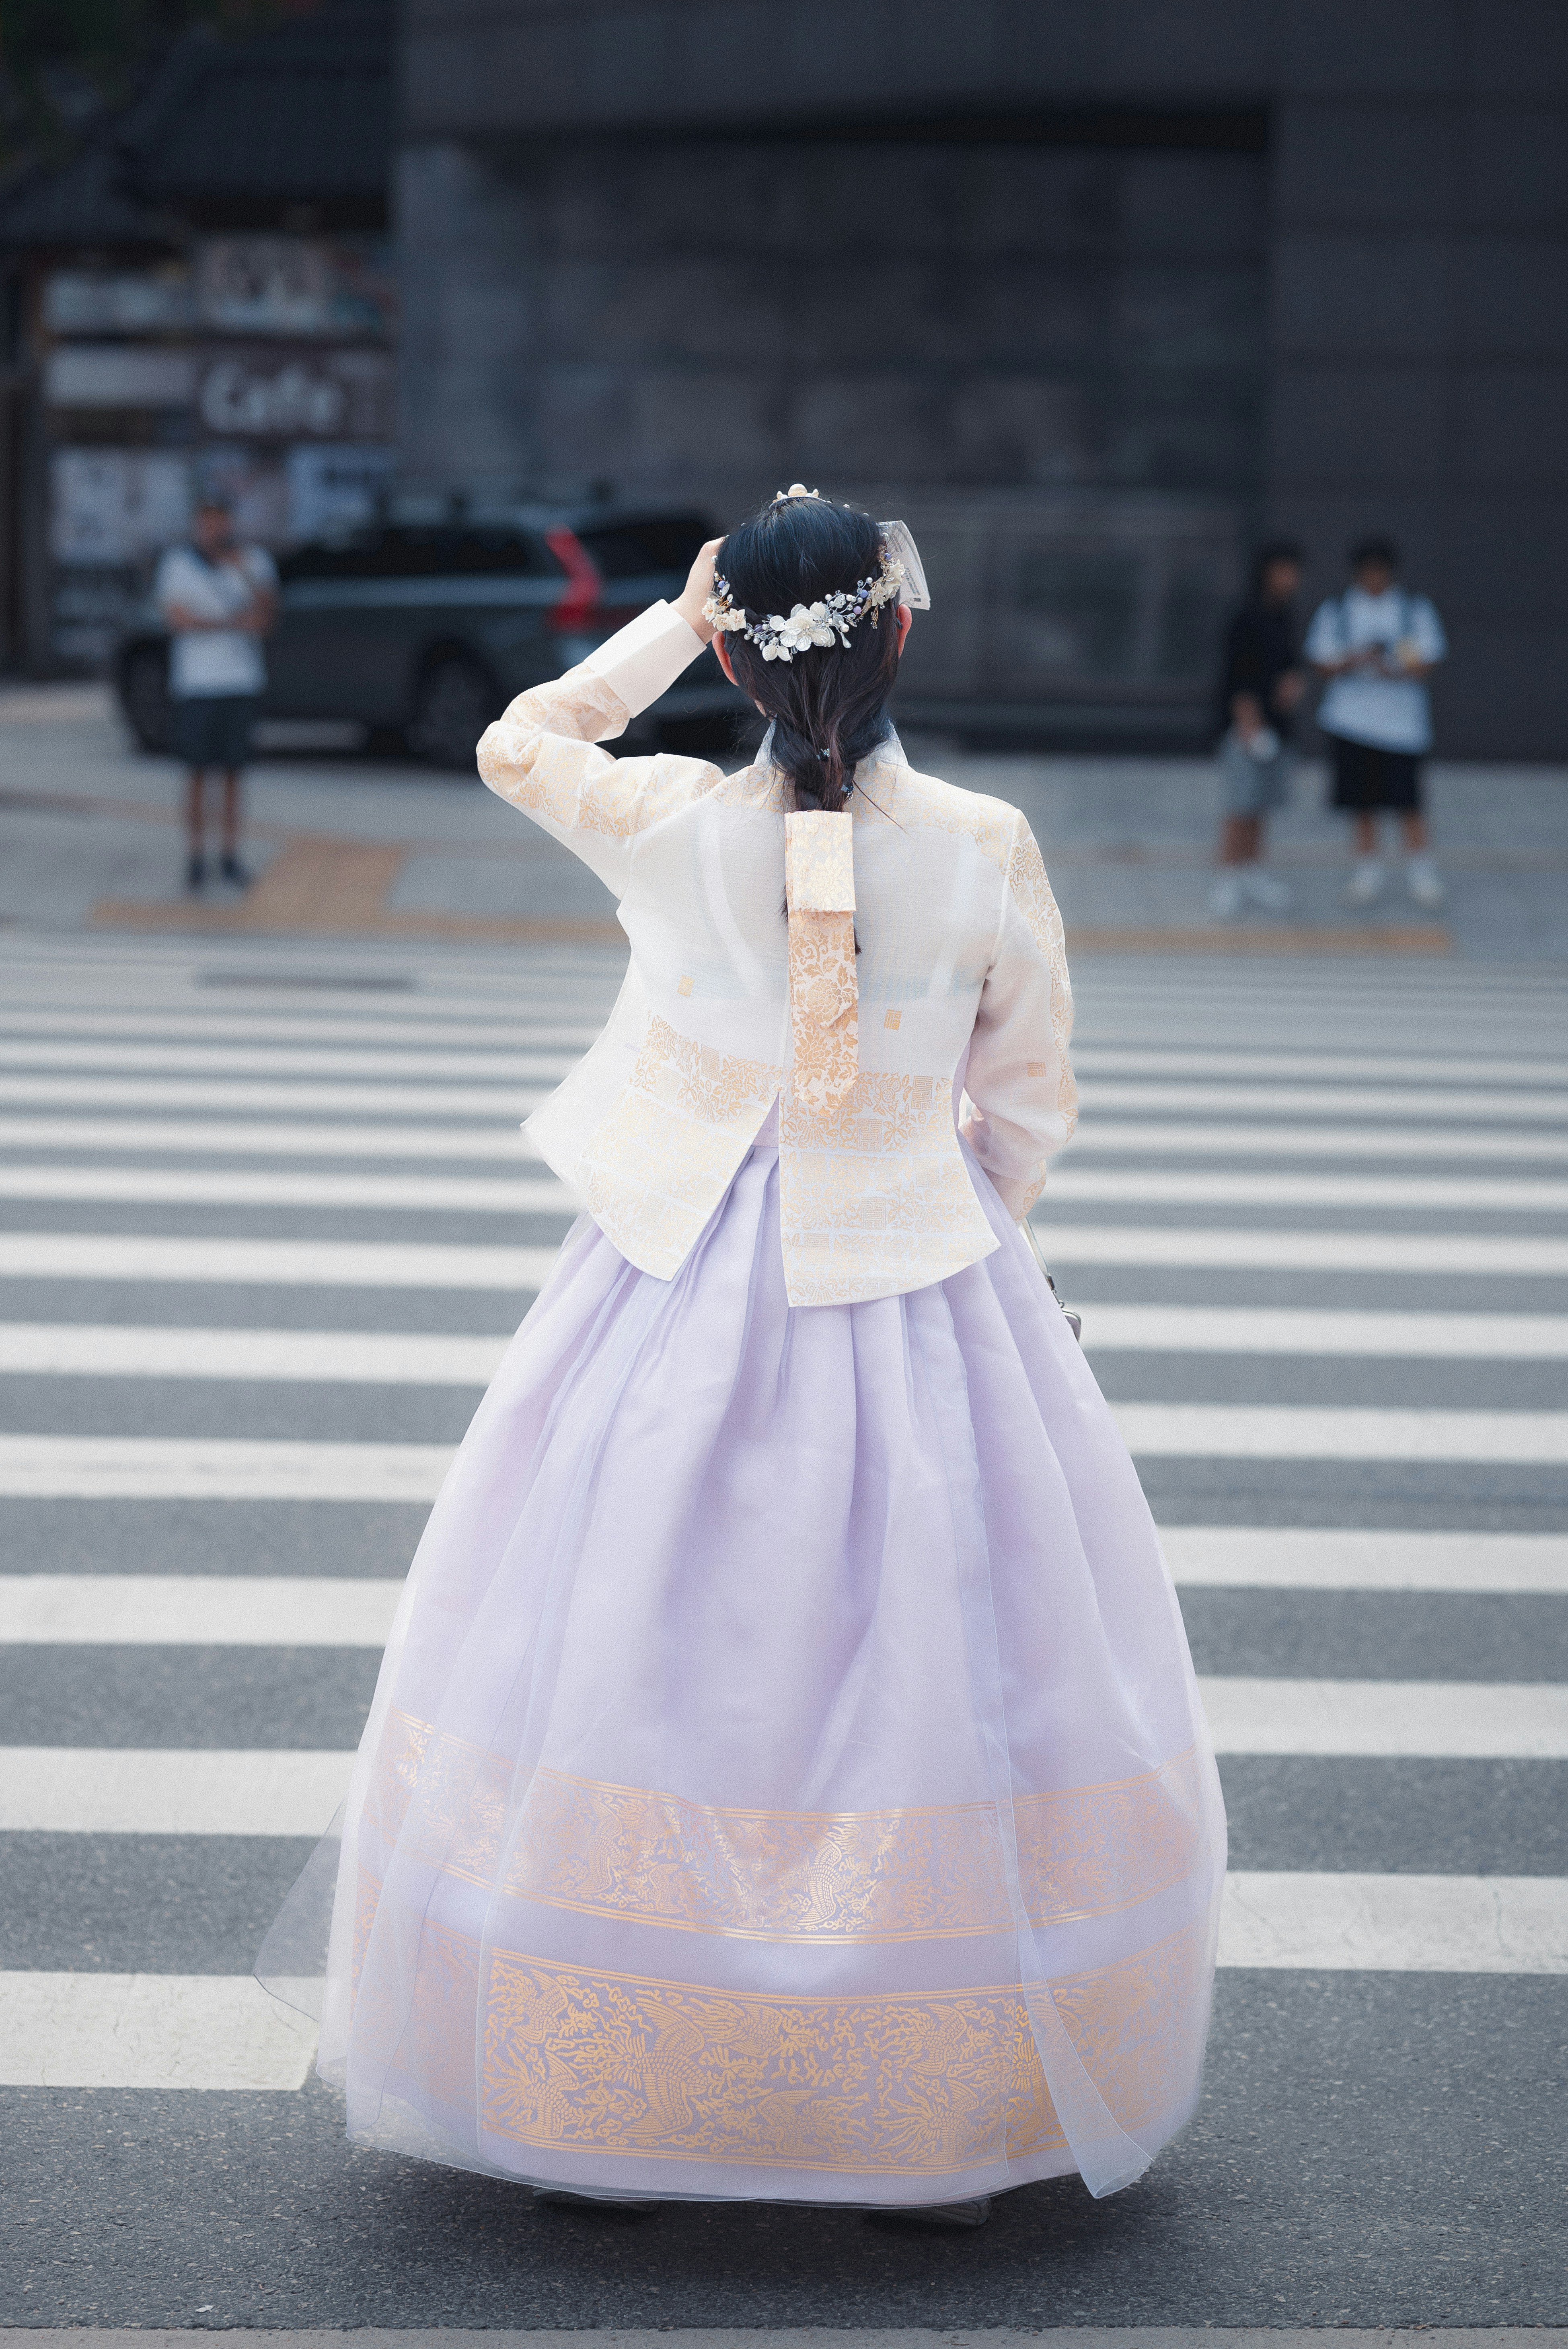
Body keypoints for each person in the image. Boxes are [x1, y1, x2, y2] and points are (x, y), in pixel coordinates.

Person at [259, 488, 1225, 2227]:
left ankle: (613, 2073)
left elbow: (517, 736)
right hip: (918, 1279)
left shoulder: (674, 827)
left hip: (669, 1275)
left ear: (731, 649)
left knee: (635, 1651)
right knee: (933, 1680)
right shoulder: (985, 845)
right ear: (901, 634)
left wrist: (665, 619)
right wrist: (963, 1228)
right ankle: (924, 2095)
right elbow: (1024, 1103)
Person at [1304, 536, 1448, 910]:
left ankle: (1420, 869)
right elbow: (1321, 663)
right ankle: (1368, 869)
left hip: (1401, 727)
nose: (1373, 579)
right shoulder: (1338, 610)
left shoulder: (1411, 610)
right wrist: (1357, 659)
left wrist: (1392, 669)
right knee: (1361, 802)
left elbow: (1425, 662)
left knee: (1408, 802)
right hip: (1351, 721)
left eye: (1379, 571)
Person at [154, 496, 277, 892]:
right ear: (196, 524)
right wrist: (231, 622)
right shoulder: (177, 565)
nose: (215, 530)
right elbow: (179, 621)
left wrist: (243, 577)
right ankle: (195, 856)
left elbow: (266, 618)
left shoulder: (253, 562)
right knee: (195, 773)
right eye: (207, 522)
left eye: (220, 521)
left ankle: (229, 854)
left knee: (233, 774)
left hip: (241, 681)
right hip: (197, 684)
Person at [1208, 539, 1307, 920]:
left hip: (1277, 726)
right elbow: (1235, 676)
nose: (1292, 579)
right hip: (1246, 729)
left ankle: (1252, 872)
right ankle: (1228, 877)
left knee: (1261, 803)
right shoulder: (1246, 616)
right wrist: (1248, 724)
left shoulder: (1284, 614)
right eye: (1285, 570)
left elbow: (1290, 664)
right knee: (1239, 804)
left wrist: (1293, 682)